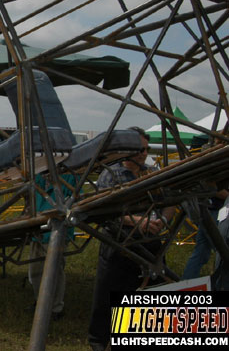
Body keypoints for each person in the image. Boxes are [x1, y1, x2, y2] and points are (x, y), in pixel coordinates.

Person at [87, 127, 175, 351]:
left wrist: (162, 222)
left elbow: (170, 200)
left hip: (149, 241)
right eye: (138, 149)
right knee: (109, 294)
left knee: (155, 290)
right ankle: (99, 341)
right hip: (119, 242)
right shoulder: (112, 174)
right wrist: (138, 221)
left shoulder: (151, 172)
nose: (142, 153)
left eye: (145, 149)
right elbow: (104, 210)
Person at [28, 173, 77, 320]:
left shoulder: (69, 177)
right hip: (37, 229)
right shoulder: (38, 178)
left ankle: (55, 307)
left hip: (57, 230)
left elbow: (76, 201)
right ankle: (40, 302)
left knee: (54, 269)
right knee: (36, 268)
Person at [182, 183, 229, 279]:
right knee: (223, 252)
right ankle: (220, 282)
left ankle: (187, 281)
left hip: (209, 212)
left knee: (201, 253)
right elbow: (212, 187)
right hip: (215, 212)